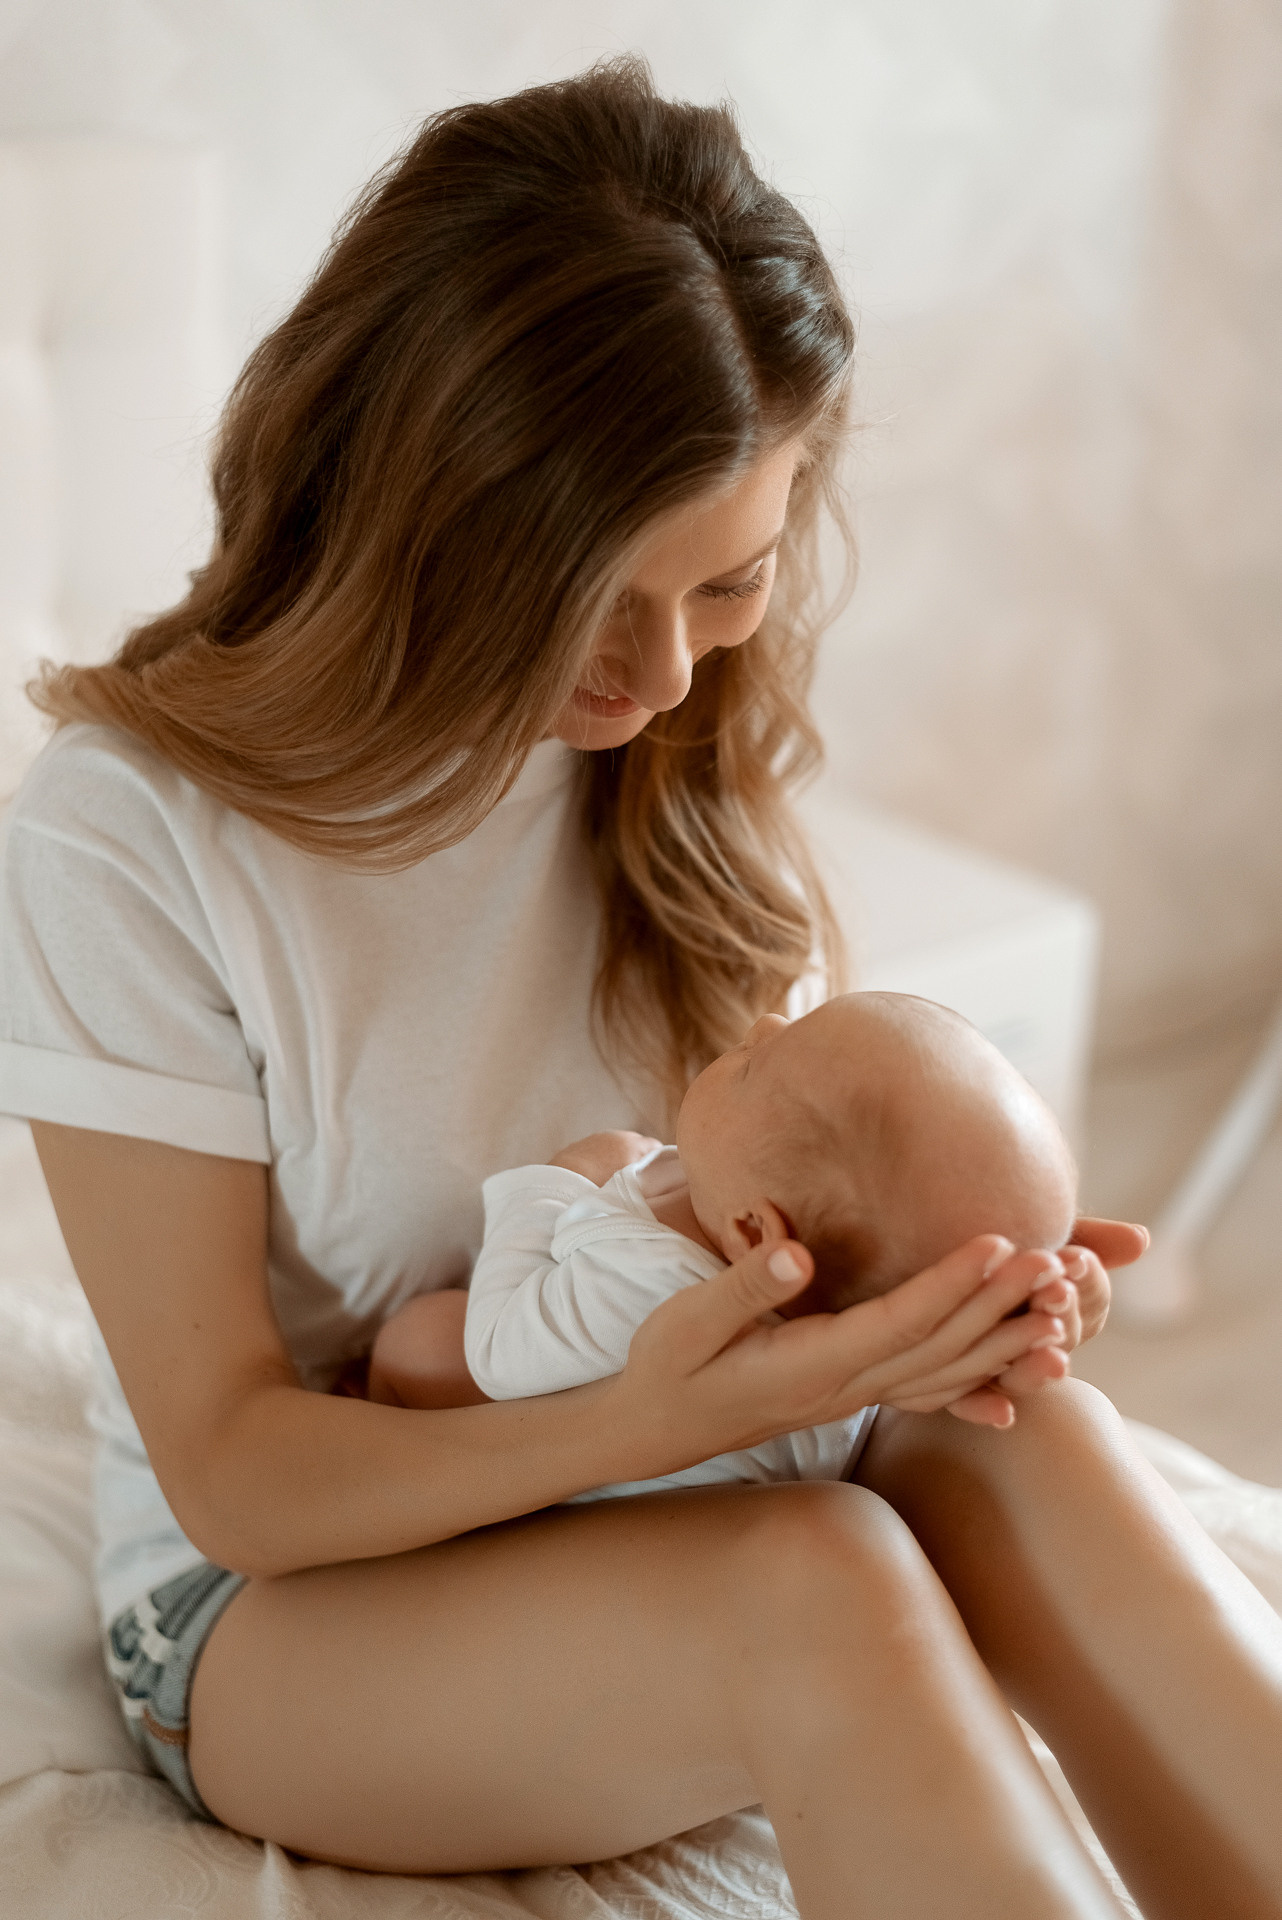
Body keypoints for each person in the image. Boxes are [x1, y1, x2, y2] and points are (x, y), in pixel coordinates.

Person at [2, 58, 1281, 1920]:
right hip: (285, 1608)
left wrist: (943, 1294)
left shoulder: (677, 781)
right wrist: (665, 1417)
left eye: (728, 587)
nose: (667, 679)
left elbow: (764, 1217)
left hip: (642, 1500)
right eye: (600, 605)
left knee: (1029, 1441)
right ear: (424, 521)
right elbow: (236, 1475)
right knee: (818, 1586)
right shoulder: (135, 839)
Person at [372, 993, 1082, 1493]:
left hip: (612, 1520)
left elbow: (496, 1353)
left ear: (754, 1236)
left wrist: (559, 1178)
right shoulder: (794, 1241)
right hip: (765, 1474)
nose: (767, 1020)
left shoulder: (647, 1285)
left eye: (751, 1066)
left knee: (421, 1337)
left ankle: (391, 1470)